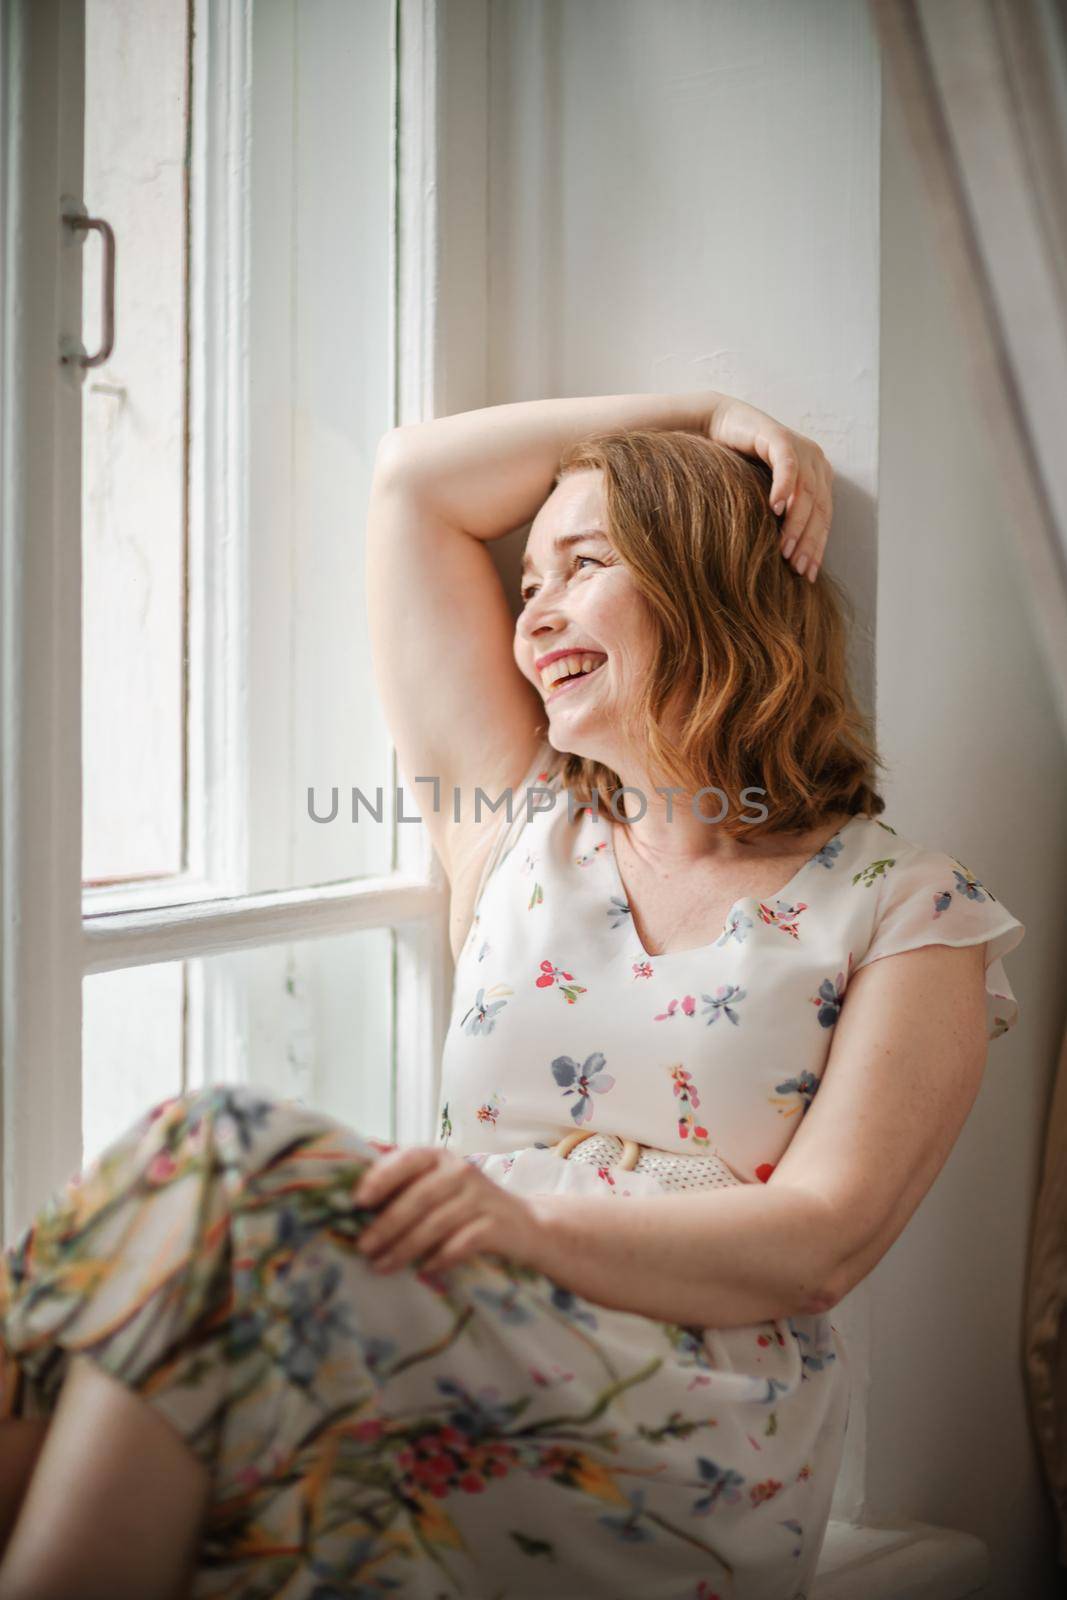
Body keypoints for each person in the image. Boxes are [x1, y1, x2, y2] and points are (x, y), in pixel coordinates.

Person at [0, 391, 1025, 1600]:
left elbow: (822, 1239)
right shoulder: (512, 824)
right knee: (184, 1203)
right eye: (527, 578)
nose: (531, 609)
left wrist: (522, 1227)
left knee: (220, 1164)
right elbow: (413, 486)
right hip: (444, 1309)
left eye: (582, 564)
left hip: (694, 1422)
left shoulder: (906, 906)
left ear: (711, 584)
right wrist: (706, 412)